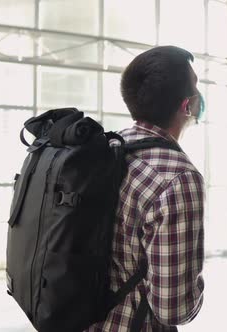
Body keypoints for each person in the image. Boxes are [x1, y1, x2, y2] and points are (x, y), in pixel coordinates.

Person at [86, 46, 205, 331]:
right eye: (197, 86)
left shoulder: (108, 148)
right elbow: (174, 308)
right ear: (187, 105)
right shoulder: (177, 178)